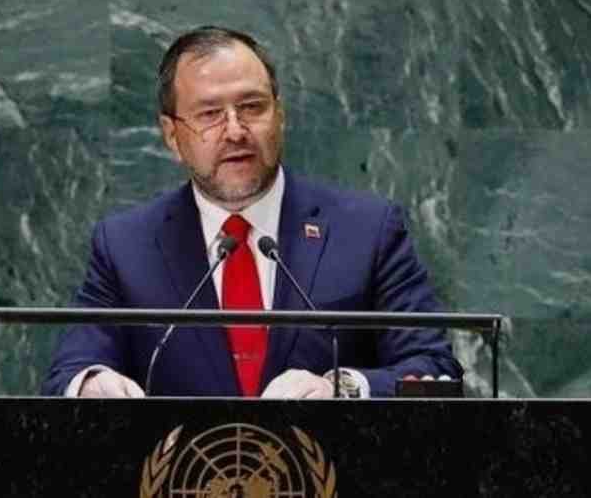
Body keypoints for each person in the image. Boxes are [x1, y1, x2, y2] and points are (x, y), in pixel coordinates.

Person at [42, 26, 462, 399]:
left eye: (252, 107)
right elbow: (71, 370)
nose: (235, 131)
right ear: (172, 135)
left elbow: (435, 370)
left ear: (280, 115)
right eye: (210, 114)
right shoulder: (125, 246)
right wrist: (91, 383)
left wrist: (344, 388)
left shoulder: (367, 231)